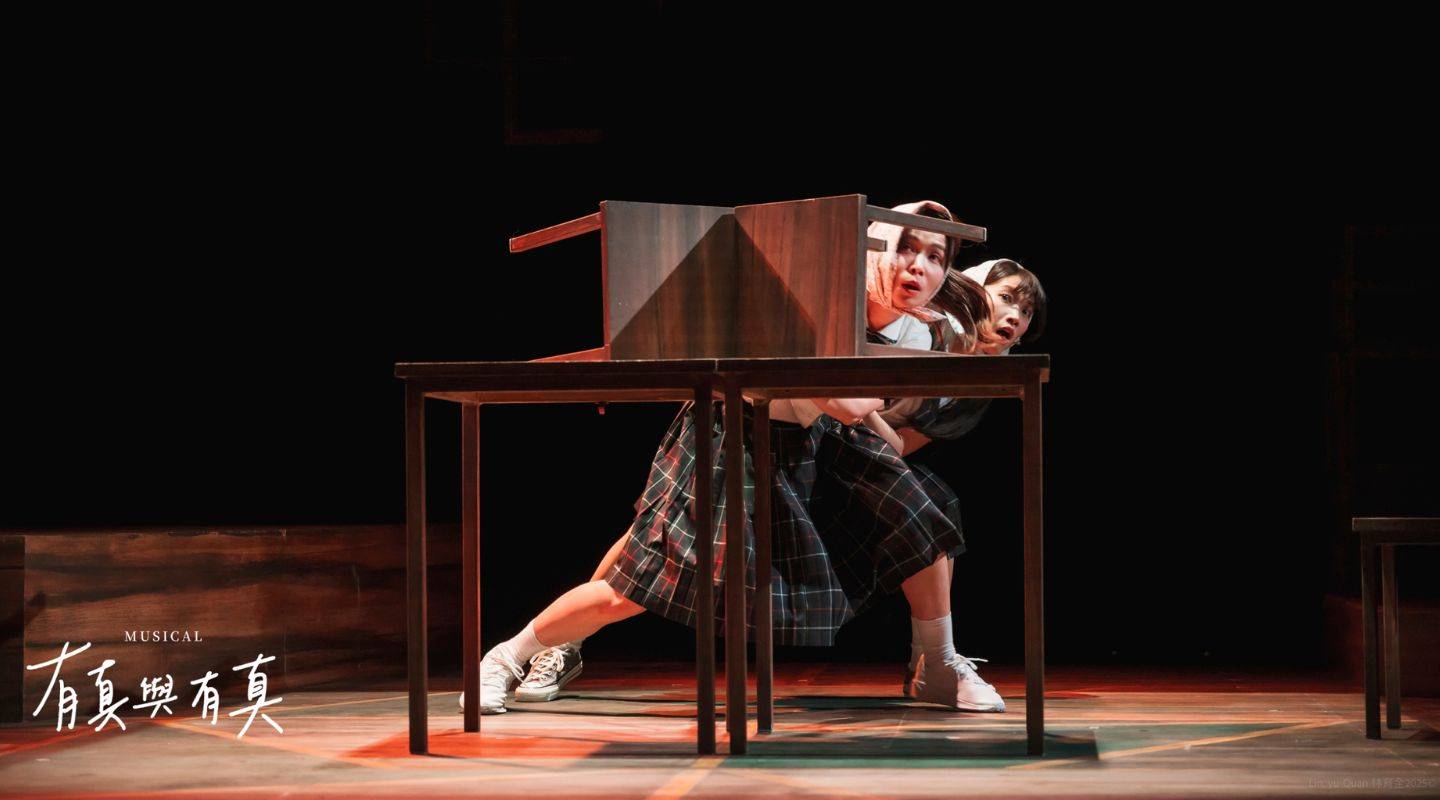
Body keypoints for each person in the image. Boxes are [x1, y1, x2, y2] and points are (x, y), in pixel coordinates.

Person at [468, 203, 1034, 715]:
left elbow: (855, 407)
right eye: (906, 247)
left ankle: (937, 662)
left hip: (807, 437)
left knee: (921, 514)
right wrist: (869, 411)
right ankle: (507, 657)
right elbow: (846, 402)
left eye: (935, 257)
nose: (918, 266)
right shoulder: (824, 295)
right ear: (874, 245)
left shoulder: (917, 332)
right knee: (641, 580)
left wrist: (879, 422)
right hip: (731, 429)